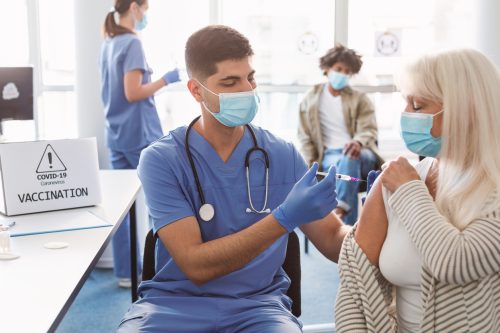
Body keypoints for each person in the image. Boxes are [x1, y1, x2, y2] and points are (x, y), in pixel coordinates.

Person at [117, 25, 350, 333]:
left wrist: (384, 214)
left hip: (260, 308)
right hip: (171, 307)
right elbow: (196, 266)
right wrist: (284, 218)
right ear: (196, 90)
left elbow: (334, 240)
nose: (247, 90)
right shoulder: (161, 160)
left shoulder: (281, 155)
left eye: (250, 77)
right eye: (230, 82)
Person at [335, 49, 500, 332]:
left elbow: (455, 263)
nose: (406, 115)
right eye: (406, 103)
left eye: (418, 105)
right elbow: (355, 279)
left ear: (466, 111)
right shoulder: (398, 180)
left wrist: (410, 191)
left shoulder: (407, 184)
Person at [99, 0, 181, 287]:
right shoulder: (132, 42)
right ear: (134, 7)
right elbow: (133, 92)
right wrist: (166, 80)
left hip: (117, 134)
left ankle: (126, 272)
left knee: (123, 205)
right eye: (145, 9)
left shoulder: (109, 42)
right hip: (139, 134)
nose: (145, 15)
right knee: (163, 202)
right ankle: (165, 271)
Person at [298, 44, 384, 225]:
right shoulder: (309, 100)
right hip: (329, 157)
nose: (342, 74)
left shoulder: (360, 99)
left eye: (347, 72)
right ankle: (348, 229)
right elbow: (305, 137)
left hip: (363, 154)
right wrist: (308, 168)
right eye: (338, 69)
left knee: (351, 154)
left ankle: (340, 210)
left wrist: (358, 142)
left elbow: (369, 129)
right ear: (327, 69)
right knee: (344, 165)